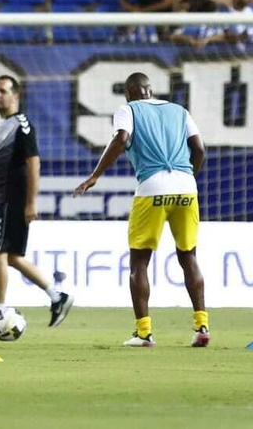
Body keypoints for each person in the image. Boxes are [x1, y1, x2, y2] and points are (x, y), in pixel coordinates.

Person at [73, 71, 209, 347]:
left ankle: (144, 333)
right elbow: (199, 149)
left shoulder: (128, 110)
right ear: (150, 89)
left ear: (129, 93)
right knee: (188, 257)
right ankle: (202, 327)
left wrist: (95, 175)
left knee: (139, 262)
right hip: (186, 187)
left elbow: (121, 139)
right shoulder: (180, 111)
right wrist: (186, 177)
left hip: (152, 187)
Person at [0, 74, 73, 332]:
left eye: (3, 91)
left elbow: (33, 162)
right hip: (2, 199)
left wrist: (31, 202)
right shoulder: (0, 128)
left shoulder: (21, 124)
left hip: (13, 198)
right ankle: (57, 296)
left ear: (15, 96)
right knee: (11, 257)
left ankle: (0, 310)